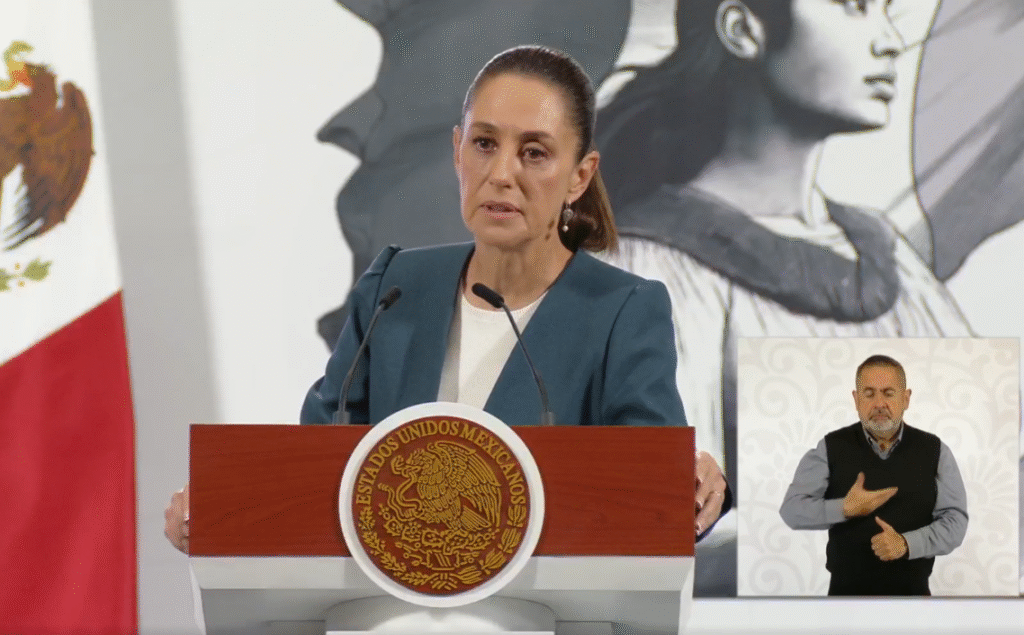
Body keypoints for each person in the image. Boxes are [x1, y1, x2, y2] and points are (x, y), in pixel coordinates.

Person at [166, 45, 729, 553]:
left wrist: (696, 488)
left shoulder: (623, 309)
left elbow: (652, 492)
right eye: (484, 144)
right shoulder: (394, 287)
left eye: (534, 153)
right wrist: (221, 507)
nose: (501, 174)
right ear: (458, 151)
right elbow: (318, 459)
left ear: (580, 176)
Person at [595, 0, 973, 595]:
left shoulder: (888, 255)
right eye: (854, 8)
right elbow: (666, 529)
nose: (889, 41)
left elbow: (985, 467)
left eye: (887, 11)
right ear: (743, 29)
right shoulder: (649, 265)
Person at [779, 354, 968, 596]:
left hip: (914, 600)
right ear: (856, 400)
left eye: (888, 393)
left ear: (906, 398)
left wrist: (906, 544)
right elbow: (792, 510)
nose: (879, 403)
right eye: (869, 394)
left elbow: (955, 521)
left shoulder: (936, 451)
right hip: (844, 602)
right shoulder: (830, 448)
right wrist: (844, 508)